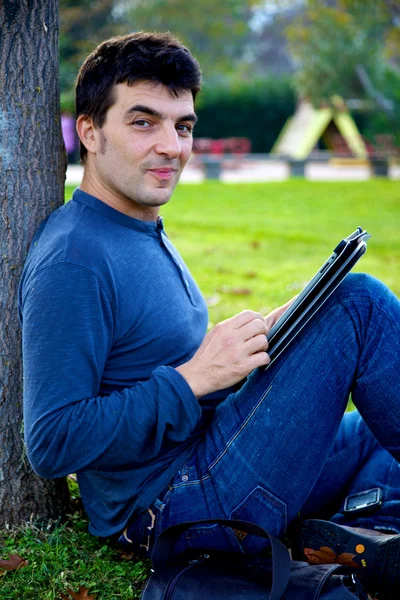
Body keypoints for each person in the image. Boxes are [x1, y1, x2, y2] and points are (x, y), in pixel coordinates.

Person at [19, 32, 400, 598]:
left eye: (183, 125)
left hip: (216, 451)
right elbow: (51, 442)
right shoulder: (76, 257)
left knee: (374, 428)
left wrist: (267, 343)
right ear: (90, 132)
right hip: (178, 503)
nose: (172, 145)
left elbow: (167, 364)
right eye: (144, 122)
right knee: (361, 304)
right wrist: (195, 377)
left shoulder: (137, 225)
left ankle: (364, 534)